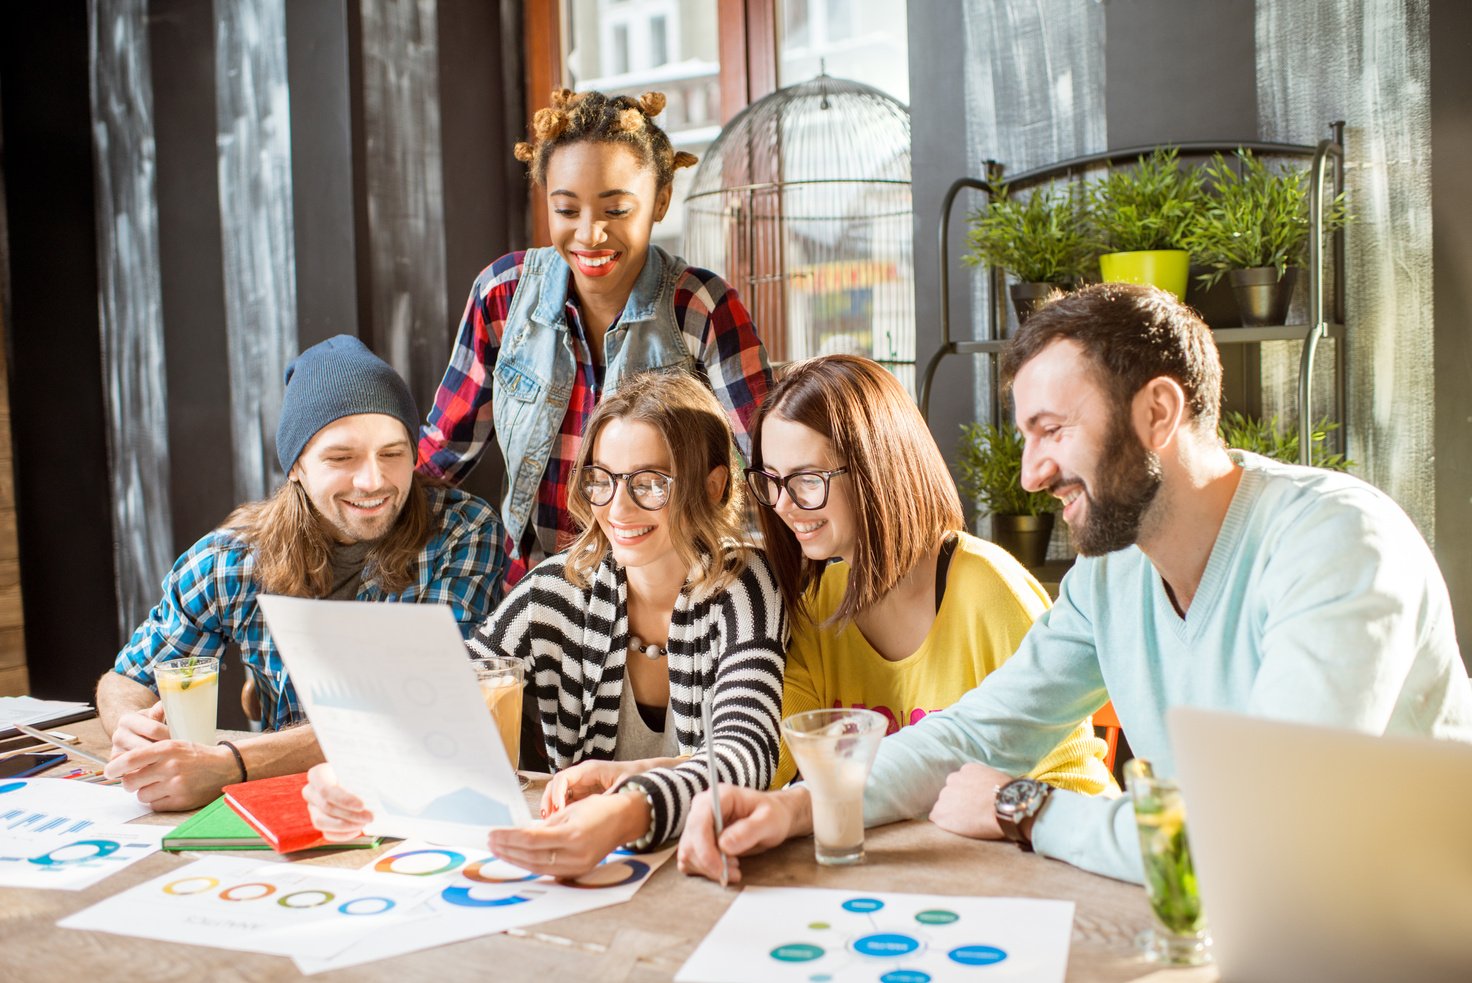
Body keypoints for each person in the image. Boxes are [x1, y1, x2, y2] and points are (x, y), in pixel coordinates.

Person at [678, 283, 1472, 885]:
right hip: (1241, 923)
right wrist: (794, 807)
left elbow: (1261, 837)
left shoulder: (1338, 543)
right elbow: (971, 732)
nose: (1031, 473)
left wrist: (1027, 807)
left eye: (1053, 431)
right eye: (1027, 437)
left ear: (1158, 410)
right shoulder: (1112, 574)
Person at [306, 372, 787, 877]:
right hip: (585, 872)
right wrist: (354, 765)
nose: (617, 508)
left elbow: (745, 760)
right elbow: (444, 700)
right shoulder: (553, 592)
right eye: (601, 480)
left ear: (712, 487)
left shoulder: (745, 585)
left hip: (712, 870)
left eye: (649, 484)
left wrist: (625, 809)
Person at [99, 335, 506, 811]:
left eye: (393, 453)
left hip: (424, 798)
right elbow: (126, 678)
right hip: (291, 805)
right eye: (341, 458)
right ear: (296, 466)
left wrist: (231, 763)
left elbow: (416, 713)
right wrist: (131, 726)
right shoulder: (230, 561)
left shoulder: (462, 532)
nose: (373, 481)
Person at [417, 88, 772, 585]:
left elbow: (766, 459)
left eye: (616, 210)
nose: (589, 235)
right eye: (566, 210)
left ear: (661, 201)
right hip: (536, 591)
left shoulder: (700, 307)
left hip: (665, 596)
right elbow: (439, 457)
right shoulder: (503, 296)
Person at [745, 354, 1111, 793]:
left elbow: (1071, 780)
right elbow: (772, 752)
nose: (783, 504)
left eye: (806, 479)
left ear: (874, 469)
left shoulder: (989, 590)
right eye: (771, 479)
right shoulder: (818, 602)